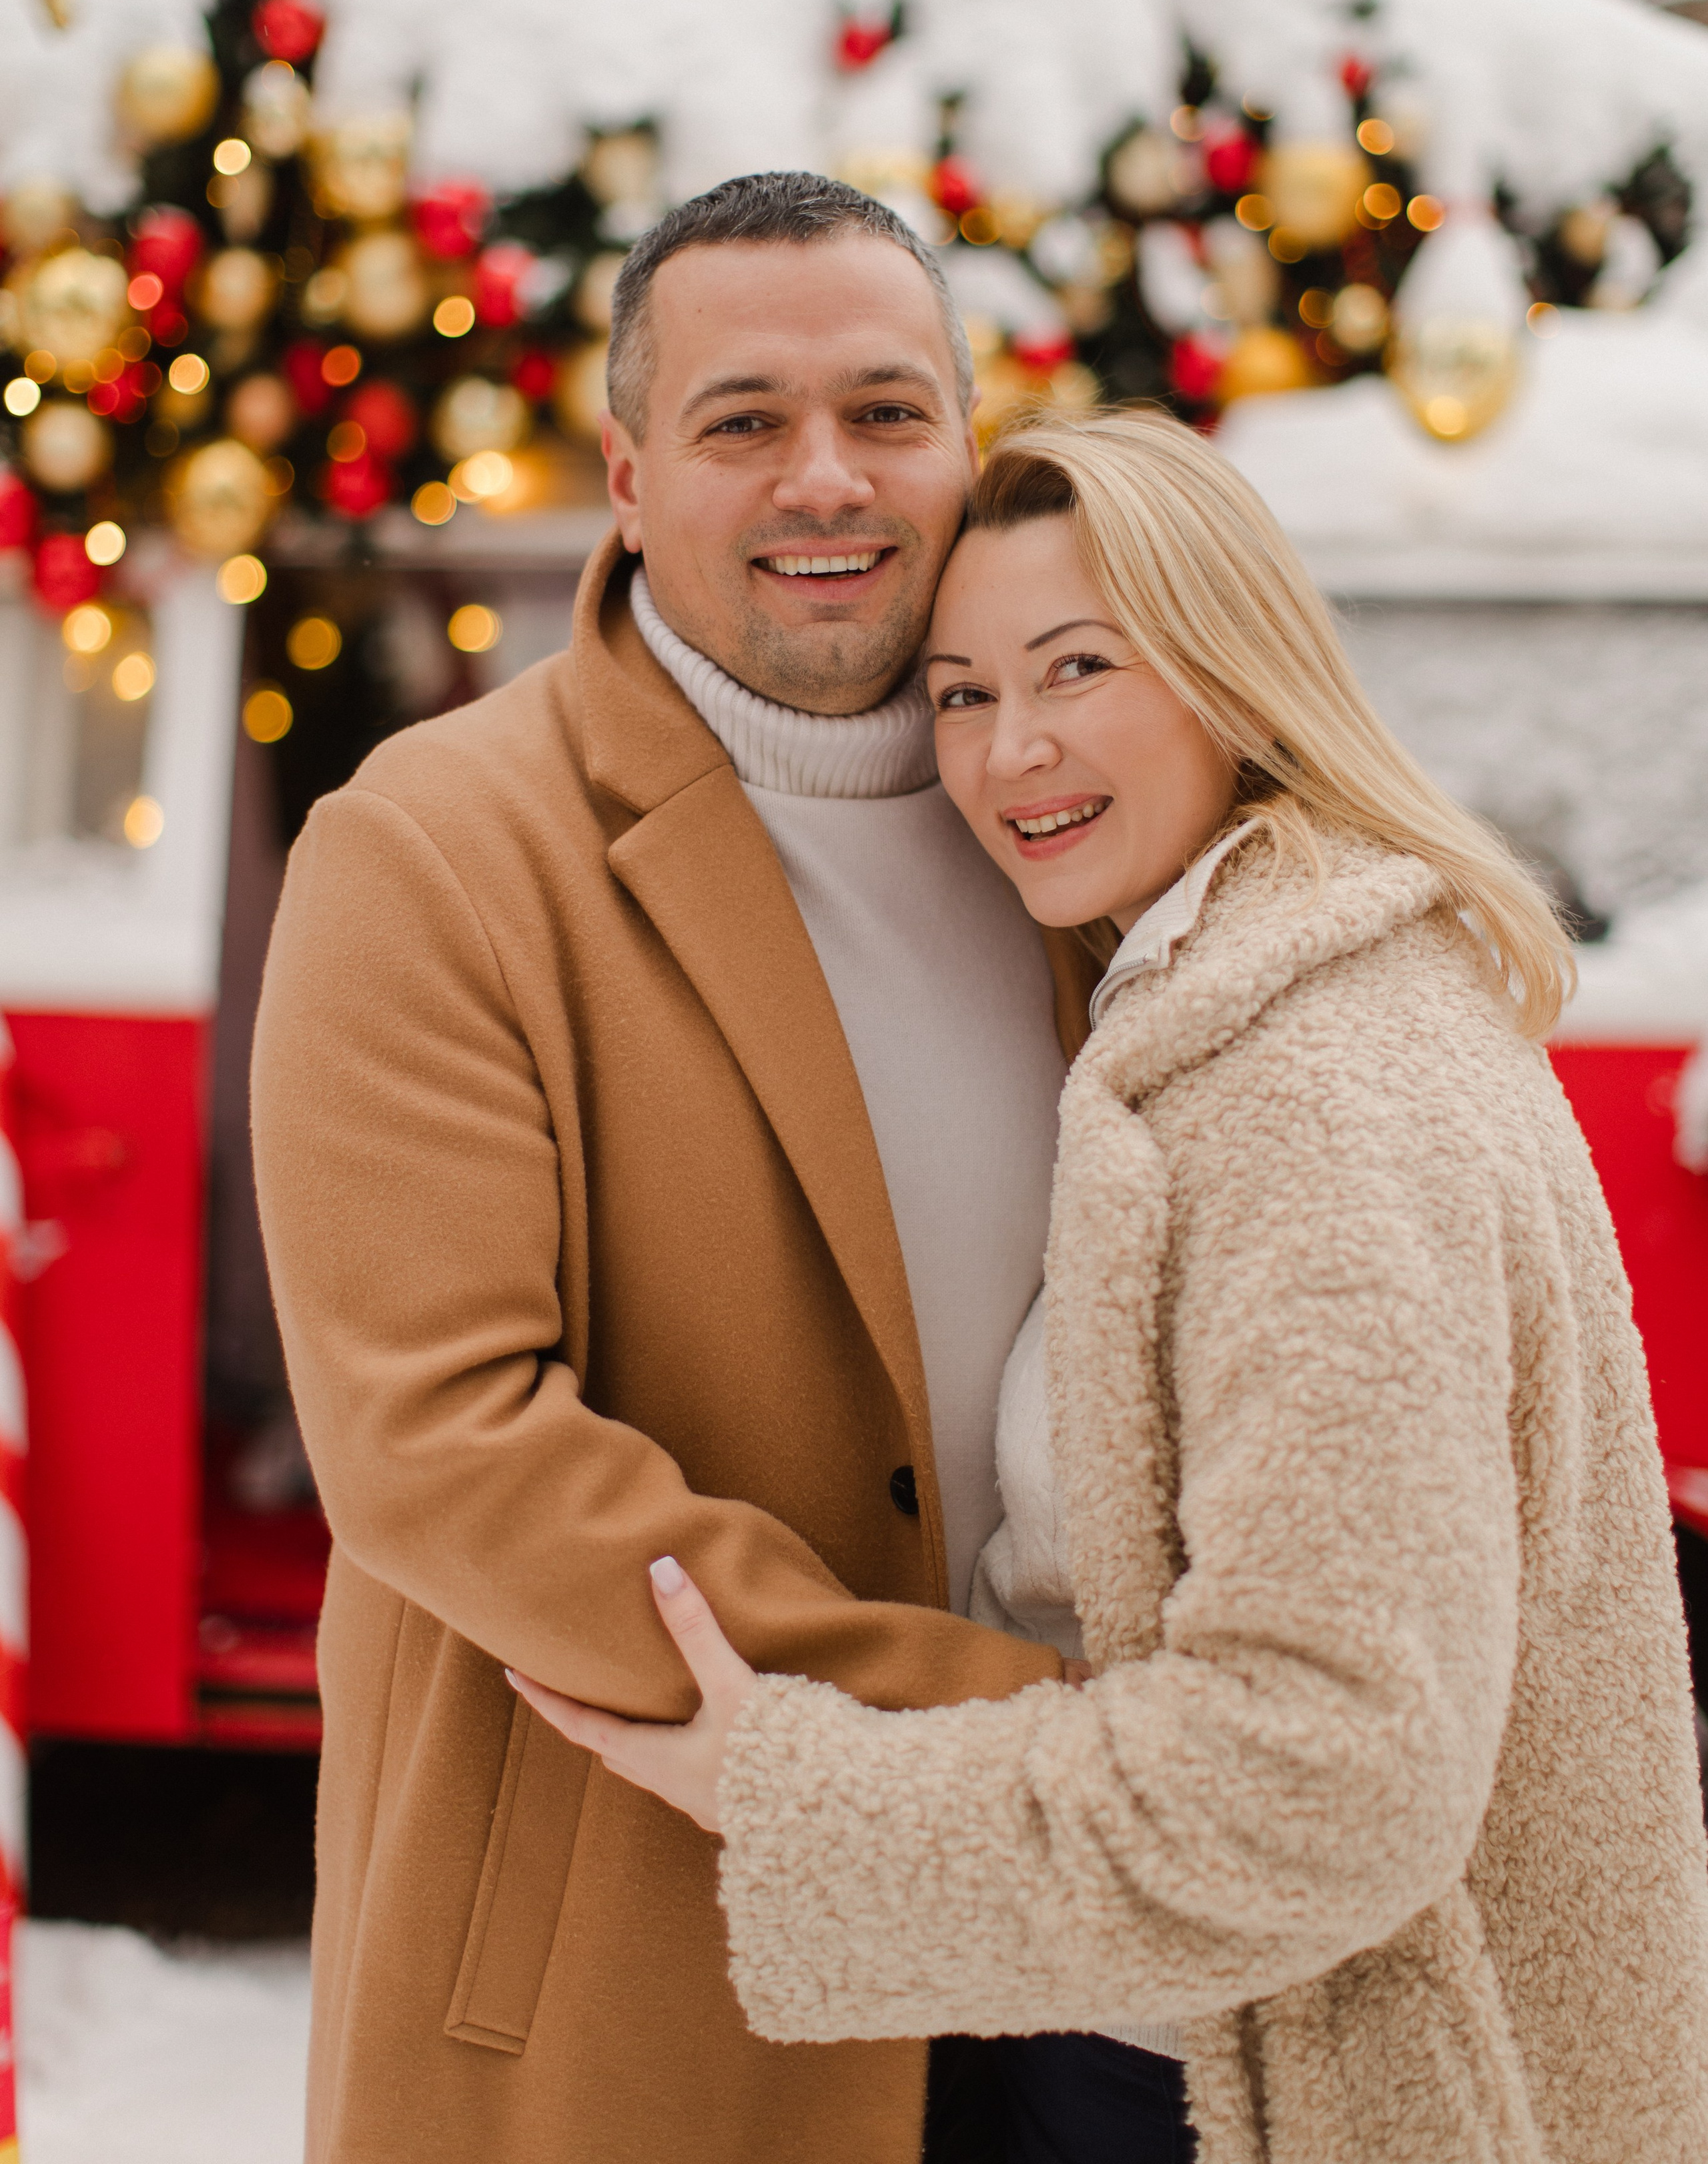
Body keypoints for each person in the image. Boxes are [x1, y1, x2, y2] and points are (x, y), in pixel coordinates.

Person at [510, 406, 1708, 2164]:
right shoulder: (1239, 998)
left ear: (1234, 673)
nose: (1009, 754)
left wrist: (802, 1795)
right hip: (1165, 2030)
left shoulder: (1313, 1089)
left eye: (1077, 668)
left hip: (1203, 2085)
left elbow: (1328, 1777)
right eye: (967, 692)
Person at [249, 172, 1103, 2164]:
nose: (829, 477)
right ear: (630, 474)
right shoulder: (435, 852)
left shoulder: (1083, 822)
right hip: (647, 1965)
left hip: (1086, 1982)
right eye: (744, 424)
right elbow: (445, 1445)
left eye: (890, 413)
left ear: (968, 445)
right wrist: (1006, 1732)